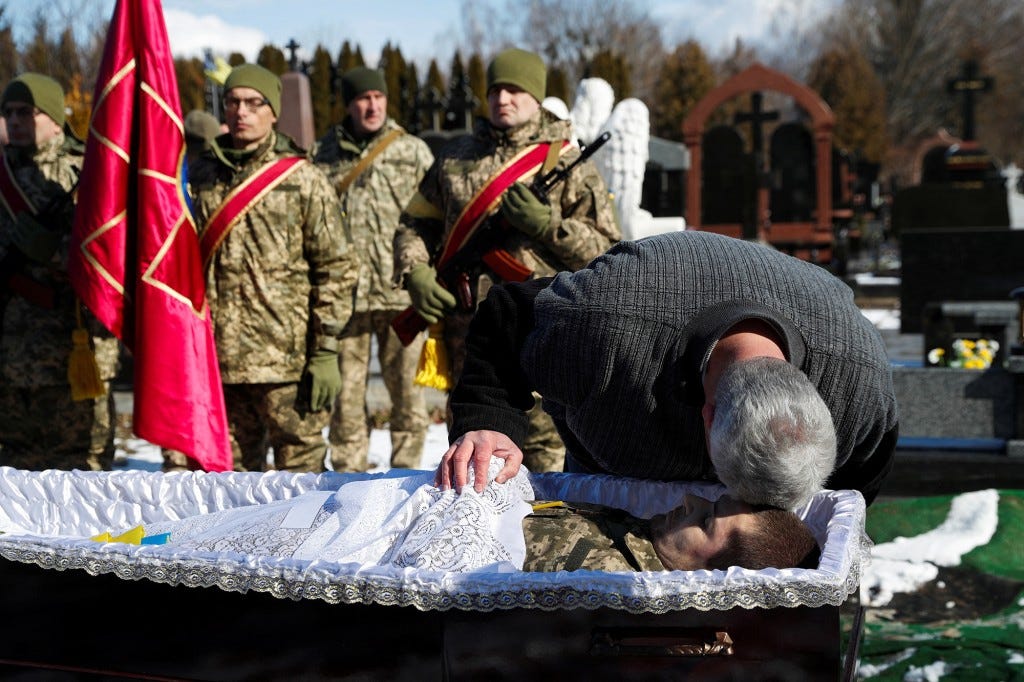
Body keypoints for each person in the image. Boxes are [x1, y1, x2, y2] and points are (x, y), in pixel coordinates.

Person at [437, 230, 899, 510]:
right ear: (708, 416)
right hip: (613, 477)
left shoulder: (858, 387)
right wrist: (487, 420)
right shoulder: (602, 324)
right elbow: (507, 315)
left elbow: (859, 482)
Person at [394, 47, 620, 473]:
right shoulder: (455, 158)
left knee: (548, 461)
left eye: (515, 89)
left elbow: (609, 252)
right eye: (496, 89)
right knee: (472, 458)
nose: (503, 99)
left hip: (544, 329)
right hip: (470, 338)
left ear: (536, 96)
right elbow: (415, 223)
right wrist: (417, 271)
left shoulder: (568, 163)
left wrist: (548, 224)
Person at [186, 64, 358, 472]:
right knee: (222, 484)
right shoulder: (201, 178)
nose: (241, 111)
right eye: (232, 102)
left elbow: (336, 268)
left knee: (299, 482)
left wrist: (326, 348)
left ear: (273, 112)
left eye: (253, 103)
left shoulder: (304, 180)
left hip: (287, 363)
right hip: (216, 362)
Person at [313, 67, 434, 472]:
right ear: (349, 104)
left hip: (402, 295)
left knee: (409, 398)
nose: (372, 105)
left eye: (378, 98)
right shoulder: (323, 155)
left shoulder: (413, 151)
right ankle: (347, 482)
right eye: (363, 98)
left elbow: (436, 218)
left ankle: (408, 477)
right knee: (345, 402)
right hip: (346, 297)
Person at [0, 73, 121, 470]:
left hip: (75, 350)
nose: (15, 121)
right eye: (9, 112)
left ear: (54, 118)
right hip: (12, 358)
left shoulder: (86, 173)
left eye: (26, 112)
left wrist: (56, 252)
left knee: (86, 475)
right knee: (16, 482)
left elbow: (113, 254)